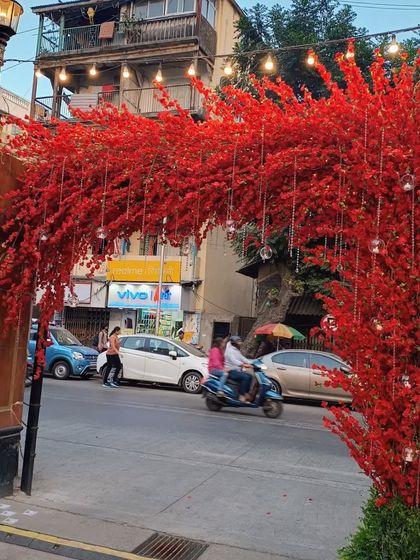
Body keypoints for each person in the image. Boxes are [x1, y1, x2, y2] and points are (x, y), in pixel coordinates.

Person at [224, 335, 253, 402]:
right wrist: (244, 365)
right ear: (234, 343)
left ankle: (245, 393)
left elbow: (243, 358)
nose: (241, 343)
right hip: (231, 371)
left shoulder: (236, 351)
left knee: (250, 376)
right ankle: (241, 395)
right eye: (239, 341)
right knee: (245, 377)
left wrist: (253, 362)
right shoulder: (230, 351)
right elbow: (234, 361)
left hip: (237, 370)